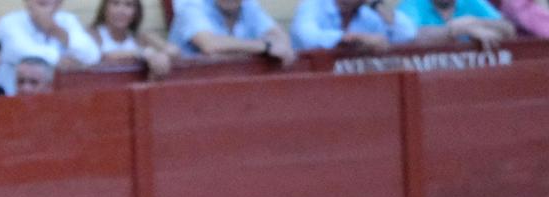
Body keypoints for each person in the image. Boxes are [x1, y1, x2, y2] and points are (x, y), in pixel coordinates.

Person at [0, 0, 101, 93]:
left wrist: (55, 30)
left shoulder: (68, 20)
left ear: (59, 3)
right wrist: (59, 60)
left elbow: (92, 56)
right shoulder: (9, 22)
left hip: (55, 99)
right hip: (13, 97)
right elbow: (22, 51)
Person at [169, 0, 297, 61]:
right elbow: (210, 45)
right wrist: (265, 47)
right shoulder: (192, 5)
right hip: (188, 88)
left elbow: (281, 39)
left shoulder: (247, 5)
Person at [91, 0, 177, 75]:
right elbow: (99, 56)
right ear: (104, 8)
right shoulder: (93, 34)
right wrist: (141, 53)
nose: (121, 11)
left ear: (136, 12)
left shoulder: (140, 37)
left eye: (128, 5)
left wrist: (162, 56)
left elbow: (174, 51)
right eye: (115, 3)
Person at [292, 0, 418, 49]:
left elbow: (407, 34)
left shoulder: (369, 15)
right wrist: (357, 38)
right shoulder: (312, 5)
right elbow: (308, 38)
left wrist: (376, 4)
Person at [401, 0, 517, 40]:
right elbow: (408, 36)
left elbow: (508, 28)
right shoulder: (413, 4)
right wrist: (458, 29)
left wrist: (474, 22)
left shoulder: (472, 2)